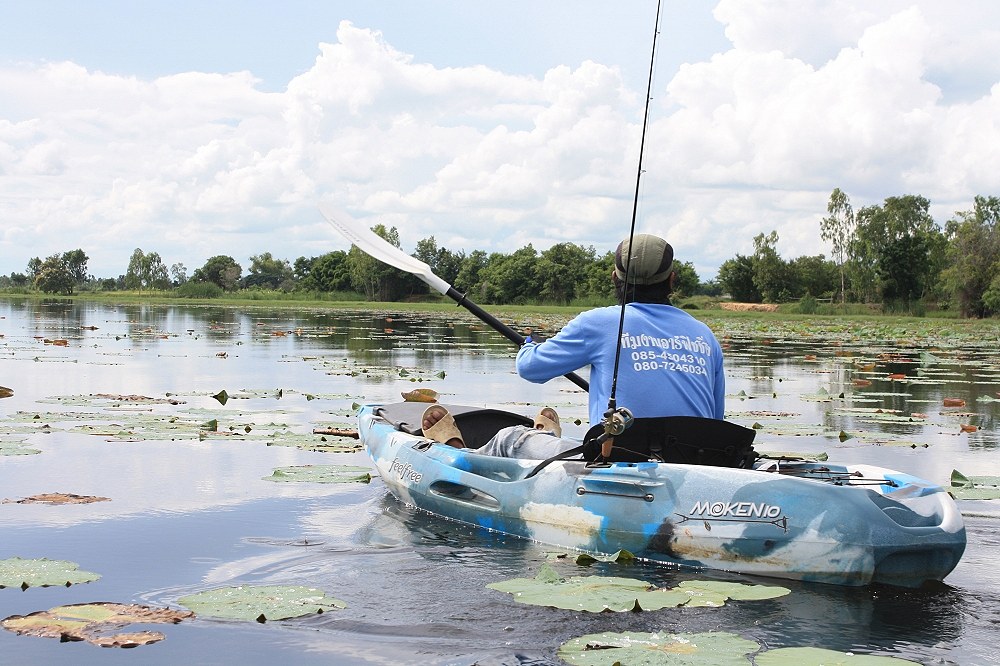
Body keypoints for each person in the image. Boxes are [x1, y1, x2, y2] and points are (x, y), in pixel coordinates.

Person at [421, 233, 726, 458]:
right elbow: (715, 422)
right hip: (693, 462)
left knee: (510, 439)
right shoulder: (705, 336)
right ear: (672, 280)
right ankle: (548, 437)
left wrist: (530, 344)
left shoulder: (600, 322)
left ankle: (456, 452)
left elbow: (530, 368)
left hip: (614, 462)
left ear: (614, 277)